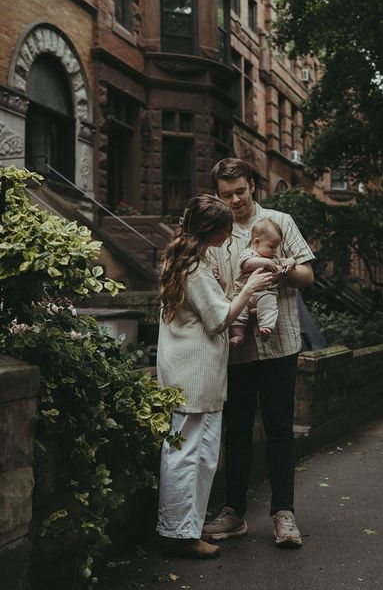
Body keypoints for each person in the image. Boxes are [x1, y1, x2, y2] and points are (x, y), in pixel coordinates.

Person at [203, 159, 315, 549]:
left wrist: (282, 268)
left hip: (280, 342)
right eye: (226, 194)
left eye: (240, 191)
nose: (234, 200)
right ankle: (233, 511)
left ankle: (284, 514)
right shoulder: (215, 231)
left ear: (253, 185)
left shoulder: (279, 220)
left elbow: (307, 276)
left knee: (280, 428)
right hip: (234, 348)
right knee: (235, 431)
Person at [156, 194, 274, 559]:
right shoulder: (195, 268)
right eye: (226, 228)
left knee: (191, 453)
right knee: (192, 454)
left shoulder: (184, 261)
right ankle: (180, 535)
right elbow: (218, 318)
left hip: (188, 370)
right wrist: (250, 288)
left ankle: (182, 530)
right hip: (195, 373)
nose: (230, 233)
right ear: (212, 230)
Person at [229, 218, 296, 345]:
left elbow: (286, 262)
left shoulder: (274, 258)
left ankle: (266, 328)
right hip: (244, 293)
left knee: (270, 307)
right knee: (239, 312)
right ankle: (238, 334)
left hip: (266, 292)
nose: (274, 251)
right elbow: (246, 265)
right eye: (271, 247)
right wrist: (264, 262)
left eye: (276, 247)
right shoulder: (249, 254)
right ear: (257, 242)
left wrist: (291, 261)